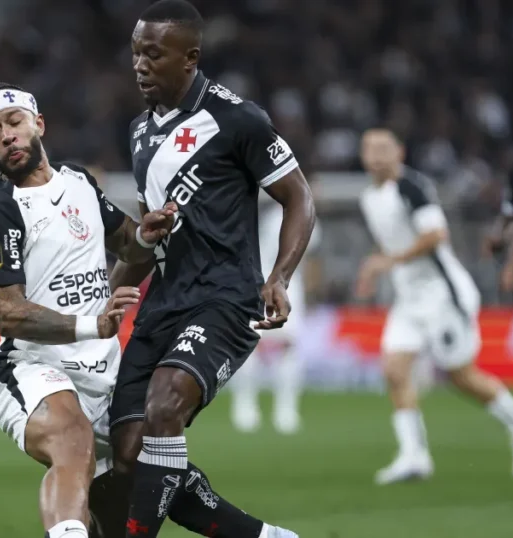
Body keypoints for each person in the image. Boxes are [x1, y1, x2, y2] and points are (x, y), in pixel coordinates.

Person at [107, 2, 313, 537]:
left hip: (225, 297)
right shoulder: (139, 133)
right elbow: (148, 238)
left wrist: (280, 275)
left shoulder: (237, 119)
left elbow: (299, 198)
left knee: (165, 404)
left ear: (190, 57)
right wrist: (109, 297)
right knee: (131, 455)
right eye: (135, 53)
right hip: (161, 303)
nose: (139, 64)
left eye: (153, 54)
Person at [0, 82, 176, 538]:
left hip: (104, 371)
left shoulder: (78, 181)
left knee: (122, 498)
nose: (7, 136)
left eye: (15, 122)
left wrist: (146, 235)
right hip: (30, 366)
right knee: (72, 441)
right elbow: (8, 313)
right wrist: (93, 324)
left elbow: (126, 242)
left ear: (38, 124)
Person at [354, 128, 513, 485]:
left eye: (383, 148)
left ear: (400, 152)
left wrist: (389, 262)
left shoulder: (412, 188)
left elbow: (436, 235)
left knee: (461, 376)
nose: (375, 155)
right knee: (394, 369)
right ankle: (414, 456)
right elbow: (393, 246)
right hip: (409, 299)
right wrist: (373, 268)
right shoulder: (368, 197)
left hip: (442, 295)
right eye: (369, 148)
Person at [230, 204, 321, 434]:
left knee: (286, 347)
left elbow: (309, 261)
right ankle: (246, 406)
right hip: (260, 282)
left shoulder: (307, 218)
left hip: (288, 286)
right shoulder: (273, 217)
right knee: (254, 345)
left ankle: (284, 410)